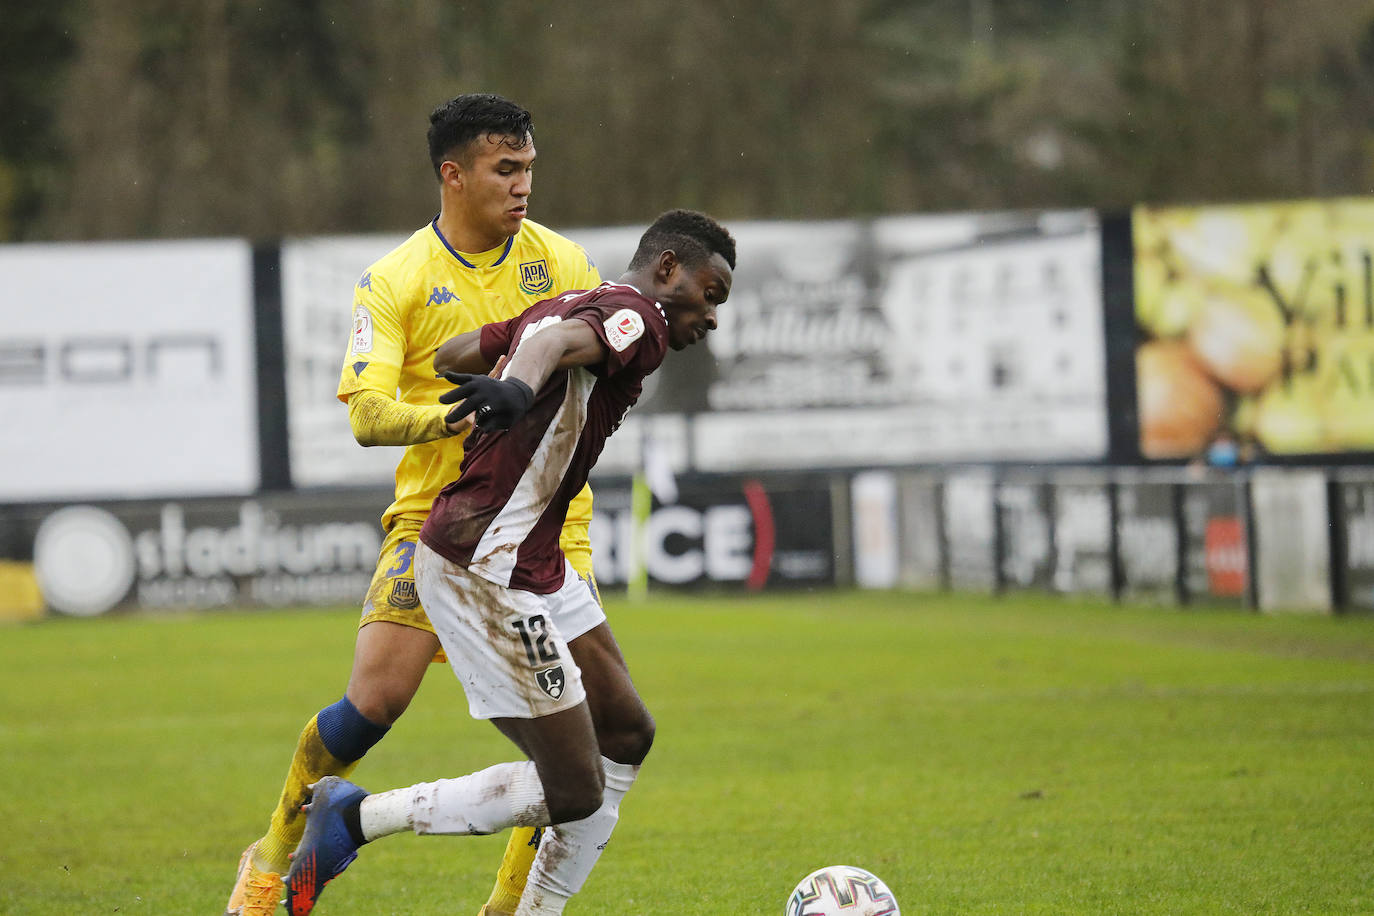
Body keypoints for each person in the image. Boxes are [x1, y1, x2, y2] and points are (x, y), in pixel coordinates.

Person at [282, 208, 736, 915]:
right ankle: (353, 817)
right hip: (483, 564)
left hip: (534, 560)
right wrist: (521, 387)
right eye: (711, 294)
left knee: (627, 734)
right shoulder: (639, 317)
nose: (711, 317)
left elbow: (454, 353)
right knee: (576, 786)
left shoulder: (562, 300)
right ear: (669, 268)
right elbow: (556, 342)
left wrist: (505, 373)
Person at [225, 93, 602, 916]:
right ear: (452, 174)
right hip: (438, 523)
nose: (523, 185)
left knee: (567, 738)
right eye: (506, 169)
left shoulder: (566, 265)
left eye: (529, 169)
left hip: (544, 531)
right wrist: (461, 412)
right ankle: (276, 853)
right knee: (374, 703)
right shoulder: (394, 280)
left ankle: (508, 907)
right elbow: (366, 413)